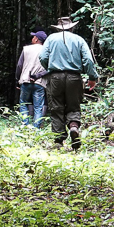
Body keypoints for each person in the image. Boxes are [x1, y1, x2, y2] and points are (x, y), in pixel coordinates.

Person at [39, 16, 98, 151]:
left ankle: (59, 140)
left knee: (56, 107)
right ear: (72, 27)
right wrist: (92, 77)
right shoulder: (79, 40)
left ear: (58, 28)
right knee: (74, 105)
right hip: (74, 77)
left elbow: (42, 57)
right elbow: (88, 60)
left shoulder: (51, 39)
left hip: (55, 77)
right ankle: (73, 127)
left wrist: (50, 67)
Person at [16, 30, 49, 127]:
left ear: (36, 39)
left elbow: (19, 65)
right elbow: (50, 68)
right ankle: (36, 128)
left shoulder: (26, 49)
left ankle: (25, 125)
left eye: (33, 37)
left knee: (23, 103)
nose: (32, 38)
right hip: (39, 82)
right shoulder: (46, 50)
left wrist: (18, 79)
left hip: (25, 81)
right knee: (38, 107)